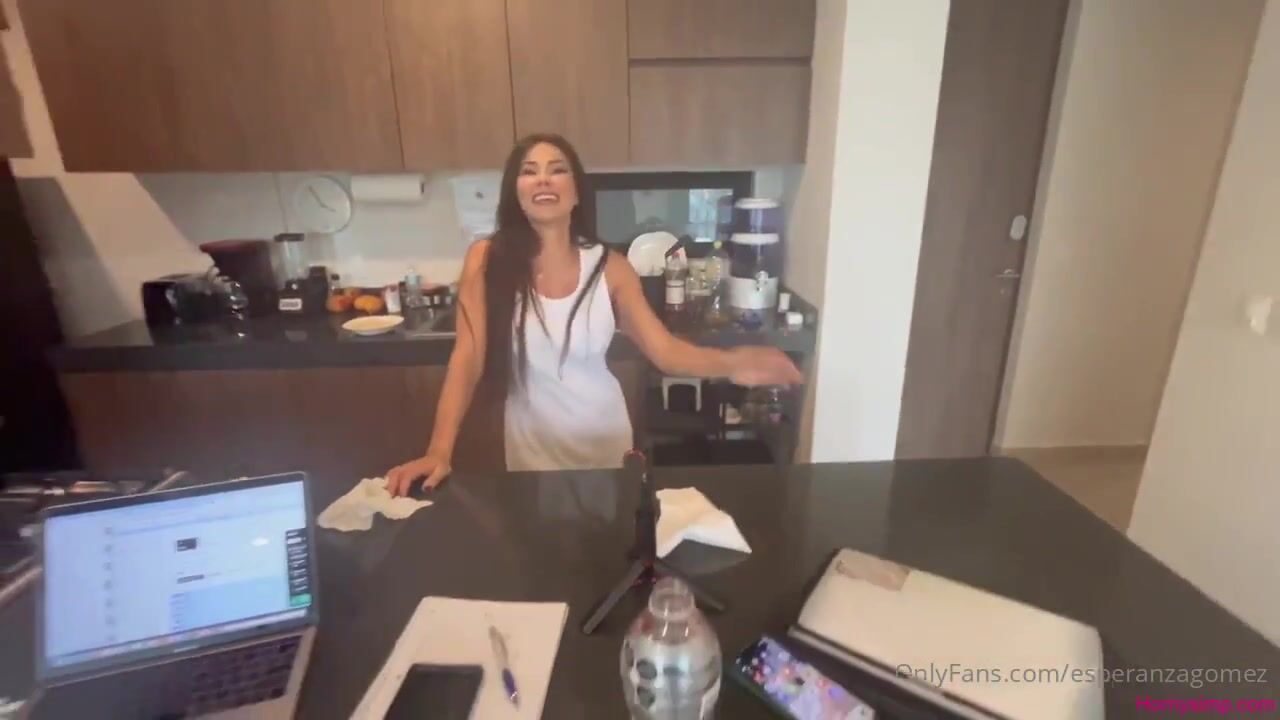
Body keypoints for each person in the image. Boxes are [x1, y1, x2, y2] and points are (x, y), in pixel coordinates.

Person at [386, 134, 801, 495]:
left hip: (605, 445)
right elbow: (467, 357)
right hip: (531, 455)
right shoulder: (486, 259)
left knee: (607, 552)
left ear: (577, 192)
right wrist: (438, 451)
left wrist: (735, 363)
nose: (543, 179)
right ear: (516, 191)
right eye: (529, 171)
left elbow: (666, 352)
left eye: (557, 170)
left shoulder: (611, 268)